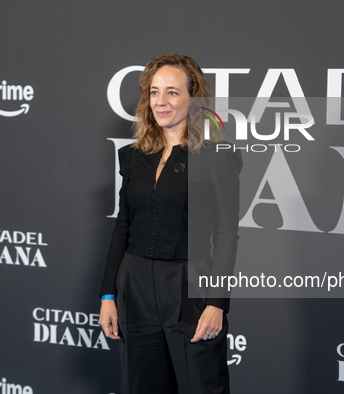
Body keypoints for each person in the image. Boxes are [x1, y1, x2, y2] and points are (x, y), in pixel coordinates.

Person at [99, 54, 242, 394]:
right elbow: (123, 225)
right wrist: (108, 293)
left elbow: (226, 235)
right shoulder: (135, 156)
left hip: (188, 287)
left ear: (194, 98)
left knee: (201, 386)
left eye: (173, 92)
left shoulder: (216, 157)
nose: (161, 102)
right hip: (135, 287)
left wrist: (216, 303)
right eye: (154, 92)